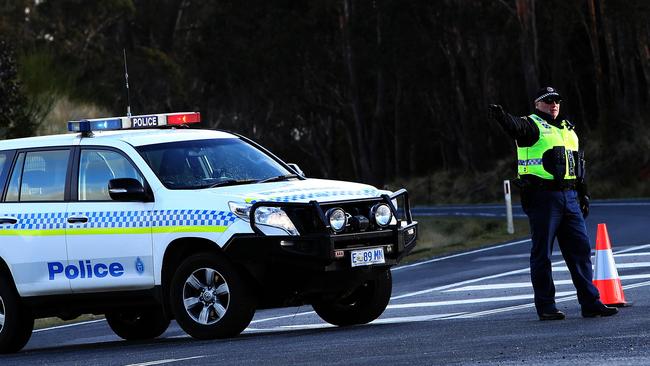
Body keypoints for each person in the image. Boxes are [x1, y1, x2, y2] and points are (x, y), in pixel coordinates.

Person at [488, 86, 618, 320]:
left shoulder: (568, 129)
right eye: (548, 101)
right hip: (542, 197)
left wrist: (583, 192)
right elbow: (514, 126)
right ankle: (546, 307)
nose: (553, 104)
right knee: (543, 254)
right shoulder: (531, 125)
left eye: (556, 100)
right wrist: (502, 118)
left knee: (580, 251)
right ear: (537, 104)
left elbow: (577, 164)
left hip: (569, 196)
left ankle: (591, 303)